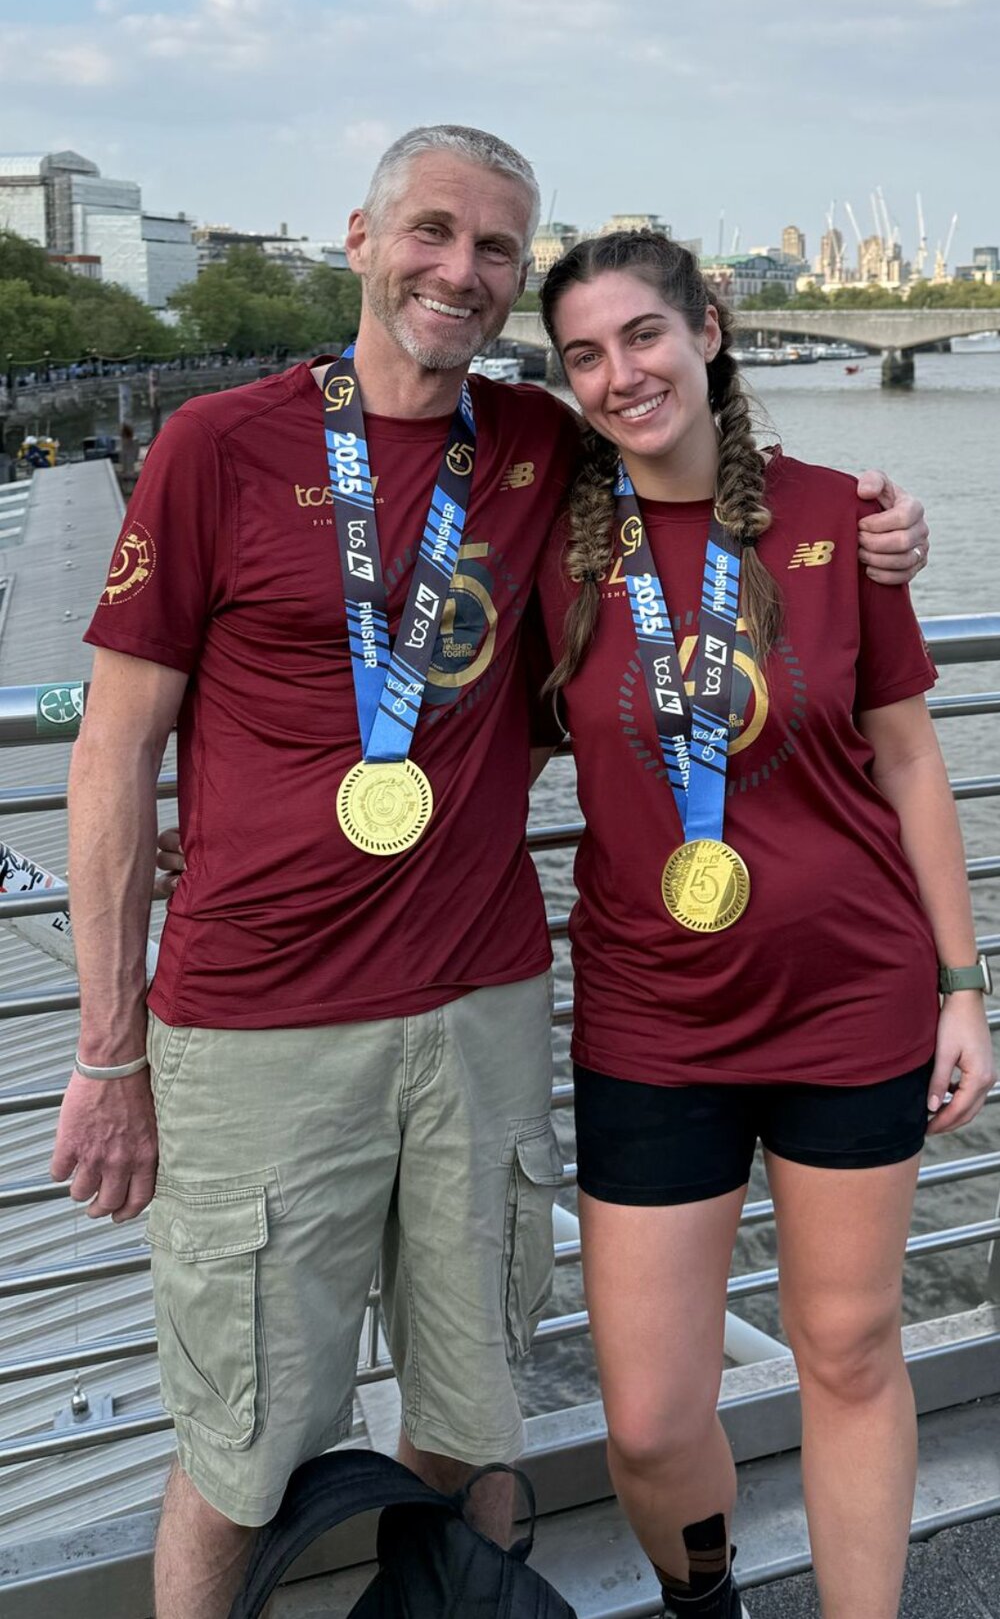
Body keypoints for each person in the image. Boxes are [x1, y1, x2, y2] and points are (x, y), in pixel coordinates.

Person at [50, 129, 929, 1619]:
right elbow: (114, 754)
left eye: (498, 249)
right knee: (240, 1447)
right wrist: (107, 1047)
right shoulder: (218, 447)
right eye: (433, 232)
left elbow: (702, 463)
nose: (462, 270)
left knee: (473, 1422)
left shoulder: (538, 444)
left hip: (483, 1011)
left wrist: (880, 525)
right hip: (260, 1024)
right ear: (362, 239)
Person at [533, 230, 994, 1619]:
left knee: (850, 1348)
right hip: (651, 1017)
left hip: (852, 994)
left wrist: (964, 985)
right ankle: (709, 1603)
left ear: (711, 331)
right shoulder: (555, 545)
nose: (621, 375)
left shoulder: (834, 516)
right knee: (655, 1419)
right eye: (585, 357)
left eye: (645, 336)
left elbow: (911, 760)